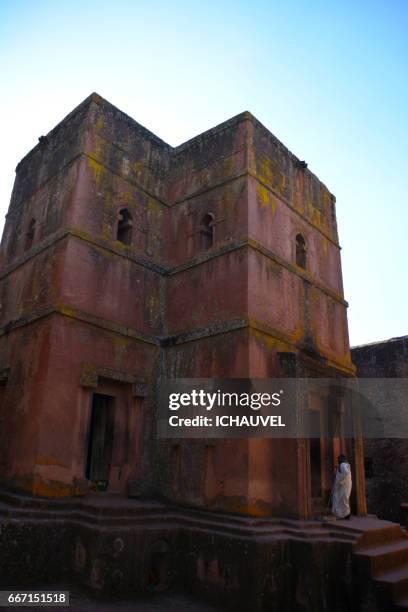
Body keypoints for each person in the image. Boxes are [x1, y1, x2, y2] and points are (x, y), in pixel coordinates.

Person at [332, 454, 352, 520]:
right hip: (347, 485)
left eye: (339, 459)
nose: (338, 461)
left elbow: (345, 473)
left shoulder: (343, 465)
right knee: (344, 499)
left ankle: (346, 514)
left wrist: (339, 479)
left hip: (344, 485)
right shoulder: (346, 465)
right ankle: (344, 514)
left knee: (342, 499)